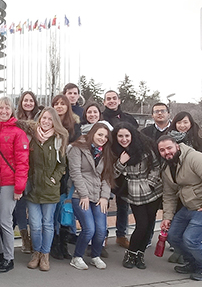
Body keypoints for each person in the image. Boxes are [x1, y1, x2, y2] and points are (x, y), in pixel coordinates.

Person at [158, 135, 202, 281]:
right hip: (190, 206)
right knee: (173, 236)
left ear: (177, 146)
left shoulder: (195, 158)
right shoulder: (167, 167)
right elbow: (169, 194)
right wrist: (167, 217)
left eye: (169, 148)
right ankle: (192, 262)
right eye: (162, 150)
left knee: (191, 239)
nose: (167, 152)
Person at [105, 123, 163, 269]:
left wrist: (150, 183)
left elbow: (156, 167)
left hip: (153, 190)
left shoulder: (146, 147)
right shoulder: (114, 151)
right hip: (134, 191)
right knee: (141, 224)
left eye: (127, 136)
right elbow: (111, 174)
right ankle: (131, 253)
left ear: (132, 135)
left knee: (150, 225)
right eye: (120, 136)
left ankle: (140, 254)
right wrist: (120, 162)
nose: (124, 139)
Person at [0, 96, 29, 273]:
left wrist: (19, 187)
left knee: (5, 220)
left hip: (10, 182)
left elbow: (22, 162)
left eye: (7, 108)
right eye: (0, 108)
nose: (3, 111)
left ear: (12, 111)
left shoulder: (18, 133)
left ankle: (9, 258)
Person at [25, 108, 68, 272]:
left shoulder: (58, 139)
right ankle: (36, 252)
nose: (46, 121)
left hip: (50, 189)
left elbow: (62, 164)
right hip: (33, 188)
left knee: (47, 224)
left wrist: (54, 178)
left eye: (50, 119)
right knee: (35, 225)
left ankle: (45, 254)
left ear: (54, 121)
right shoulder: (31, 138)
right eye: (44, 118)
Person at [67, 123, 111, 270]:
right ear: (92, 133)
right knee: (89, 229)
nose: (103, 138)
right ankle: (77, 257)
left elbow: (107, 176)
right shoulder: (77, 148)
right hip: (80, 194)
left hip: (98, 195)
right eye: (100, 134)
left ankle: (95, 255)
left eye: (105, 136)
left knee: (101, 230)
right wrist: (83, 195)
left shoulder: (106, 152)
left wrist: (105, 197)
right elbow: (75, 173)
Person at [102, 90, 138, 250]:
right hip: (107, 164)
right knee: (103, 202)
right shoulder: (101, 118)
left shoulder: (129, 118)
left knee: (123, 203)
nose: (111, 101)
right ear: (104, 102)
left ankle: (121, 235)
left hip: (126, 165)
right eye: (108, 99)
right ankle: (102, 237)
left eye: (114, 98)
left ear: (119, 100)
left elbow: (135, 138)